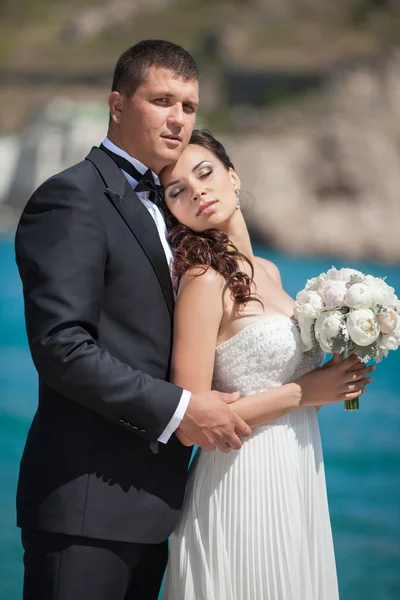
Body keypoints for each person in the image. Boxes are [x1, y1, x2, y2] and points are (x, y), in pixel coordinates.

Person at [14, 41, 254, 600]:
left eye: (189, 107)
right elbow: (62, 348)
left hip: (157, 509)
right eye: (162, 100)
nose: (178, 119)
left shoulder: (176, 213)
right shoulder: (72, 198)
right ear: (117, 105)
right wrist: (182, 410)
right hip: (85, 507)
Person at [159, 129, 375, 600]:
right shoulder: (202, 280)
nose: (196, 191)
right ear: (172, 210)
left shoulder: (272, 273)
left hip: (296, 469)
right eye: (177, 191)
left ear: (232, 177)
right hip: (241, 481)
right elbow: (191, 423)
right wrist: (306, 392)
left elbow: (299, 392)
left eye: (205, 173)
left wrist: (337, 381)